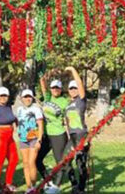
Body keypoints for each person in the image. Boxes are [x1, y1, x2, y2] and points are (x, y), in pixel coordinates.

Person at [36, 72, 69, 193]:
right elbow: (43, 84)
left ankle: (56, 187)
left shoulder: (64, 101)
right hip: (46, 134)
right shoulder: (48, 97)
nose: (55, 90)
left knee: (59, 162)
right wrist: (43, 75)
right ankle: (48, 181)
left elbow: (68, 118)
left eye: (57, 88)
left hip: (58, 134)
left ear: (61, 89)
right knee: (37, 160)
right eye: (53, 87)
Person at [64, 66, 89, 194]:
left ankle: (81, 188)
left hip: (81, 135)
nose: (73, 90)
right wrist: (68, 136)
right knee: (66, 161)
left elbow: (79, 83)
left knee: (81, 163)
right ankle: (74, 184)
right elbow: (67, 122)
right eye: (71, 88)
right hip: (72, 137)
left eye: (75, 88)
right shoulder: (68, 105)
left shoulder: (81, 100)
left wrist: (73, 70)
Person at [16, 89, 44, 194]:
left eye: (29, 97)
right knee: (25, 163)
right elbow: (17, 121)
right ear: (22, 98)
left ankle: (34, 186)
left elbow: (41, 125)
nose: (27, 99)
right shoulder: (19, 109)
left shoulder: (36, 109)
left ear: (32, 98)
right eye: (25, 97)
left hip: (34, 139)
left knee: (32, 162)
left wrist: (39, 140)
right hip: (23, 140)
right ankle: (28, 187)